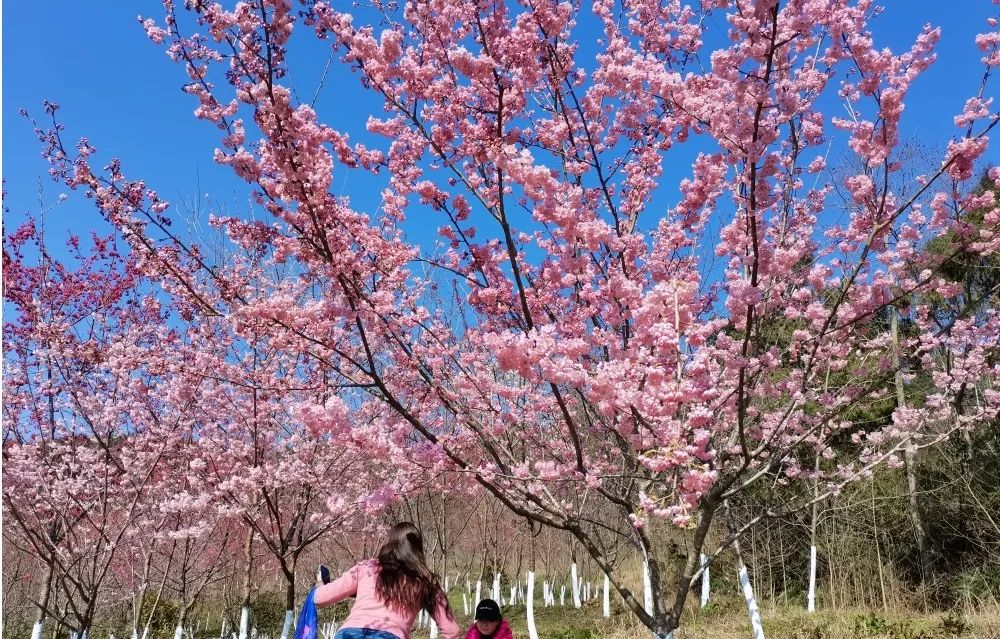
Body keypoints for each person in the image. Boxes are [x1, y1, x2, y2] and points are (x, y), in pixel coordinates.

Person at [314, 522, 461, 639]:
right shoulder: (425, 581)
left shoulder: (368, 568)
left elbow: (319, 598)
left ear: (390, 542)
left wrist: (320, 583)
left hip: (349, 634)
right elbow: (452, 631)